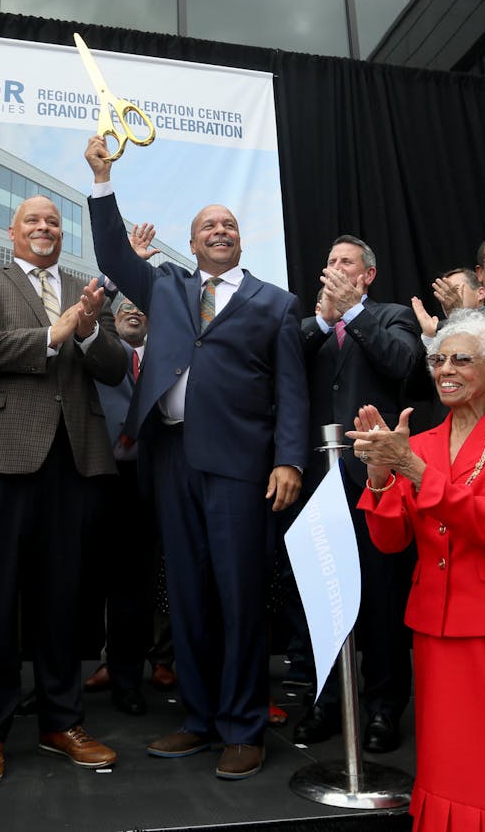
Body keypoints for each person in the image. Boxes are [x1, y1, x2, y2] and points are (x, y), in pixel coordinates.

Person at [85, 136, 309, 781]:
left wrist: (289, 459)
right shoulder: (168, 290)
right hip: (170, 459)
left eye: (229, 224)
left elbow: (290, 390)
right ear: (193, 239)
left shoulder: (275, 303)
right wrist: (103, 180)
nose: (219, 230)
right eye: (208, 224)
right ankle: (201, 718)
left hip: (241, 468)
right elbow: (109, 253)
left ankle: (243, 725)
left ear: (241, 241)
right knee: (184, 596)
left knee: (239, 597)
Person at [350, 309, 485, 830]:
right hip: (436, 627)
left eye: (461, 359)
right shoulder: (416, 446)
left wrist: (412, 470)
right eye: (438, 359)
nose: (445, 368)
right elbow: (389, 539)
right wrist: (380, 476)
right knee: (451, 765)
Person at [0, 194, 125, 785]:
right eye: (33, 221)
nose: (45, 227)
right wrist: (55, 331)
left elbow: (114, 367)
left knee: (63, 600)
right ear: (12, 231)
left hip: (71, 461)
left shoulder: (83, 287)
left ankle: (61, 722)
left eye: (53, 221)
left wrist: (92, 330)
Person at [295, 235, 421, 751]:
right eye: (329, 262)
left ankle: (385, 708)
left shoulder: (392, 316)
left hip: (377, 477)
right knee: (324, 592)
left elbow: (405, 366)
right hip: (319, 478)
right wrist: (327, 319)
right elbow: (283, 367)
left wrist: (354, 314)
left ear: (368, 274)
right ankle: (325, 701)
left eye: (346, 262)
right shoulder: (311, 326)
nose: (335, 268)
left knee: (383, 593)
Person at [82, 295, 174, 716]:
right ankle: (61, 681)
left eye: (142, 307)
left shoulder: (166, 358)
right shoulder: (95, 353)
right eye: (124, 308)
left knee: (131, 587)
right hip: (94, 476)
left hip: (146, 480)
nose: (134, 311)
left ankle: (126, 678)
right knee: (76, 582)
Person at [411, 267, 485, 341]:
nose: (448, 297)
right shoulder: (440, 330)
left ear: (480, 293)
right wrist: (429, 336)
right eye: (444, 292)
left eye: (455, 289)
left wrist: (459, 316)